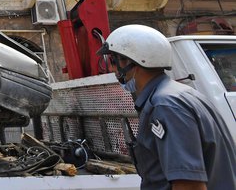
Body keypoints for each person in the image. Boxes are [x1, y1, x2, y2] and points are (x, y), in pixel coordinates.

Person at [100, 24, 236, 190]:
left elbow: (188, 184)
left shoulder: (165, 106)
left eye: (113, 61)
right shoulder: (177, 94)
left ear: (129, 61)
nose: (112, 69)